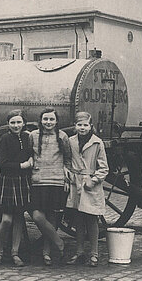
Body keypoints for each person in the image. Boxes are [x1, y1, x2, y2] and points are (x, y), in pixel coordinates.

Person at [29, 108, 72, 266]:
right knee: (38, 216)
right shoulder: (33, 136)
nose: (48, 122)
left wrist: (66, 177)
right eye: (45, 119)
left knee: (52, 217)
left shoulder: (62, 136)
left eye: (51, 119)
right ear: (41, 120)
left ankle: (46, 253)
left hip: (56, 180)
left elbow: (67, 158)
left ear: (56, 121)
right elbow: (29, 156)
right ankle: (59, 242)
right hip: (38, 180)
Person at [65, 112, 109, 267]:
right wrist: (68, 175)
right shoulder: (70, 141)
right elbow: (67, 161)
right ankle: (79, 252)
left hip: (90, 185)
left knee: (92, 219)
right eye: (79, 125)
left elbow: (104, 168)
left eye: (85, 125)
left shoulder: (97, 143)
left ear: (91, 126)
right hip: (75, 183)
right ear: (75, 126)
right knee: (77, 219)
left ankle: (94, 254)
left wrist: (94, 179)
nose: (82, 128)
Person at [0, 110, 34, 267]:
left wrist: (31, 158)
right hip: (8, 181)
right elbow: (2, 164)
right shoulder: (4, 139)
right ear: (8, 124)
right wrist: (21, 165)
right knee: (6, 220)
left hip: (22, 181)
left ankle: (15, 253)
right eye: (13, 123)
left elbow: (32, 153)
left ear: (23, 123)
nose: (16, 126)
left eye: (19, 122)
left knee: (18, 218)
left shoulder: (27, 137)